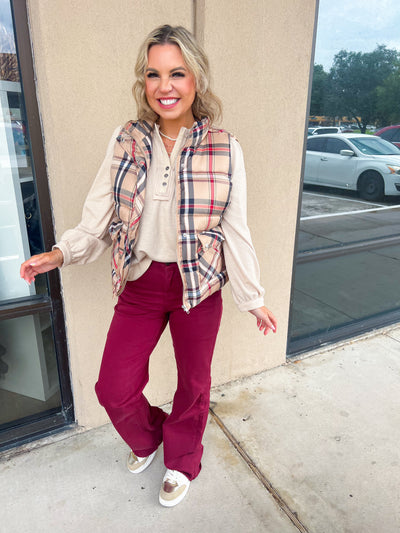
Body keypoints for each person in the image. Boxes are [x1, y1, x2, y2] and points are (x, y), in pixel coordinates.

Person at [20, 24, 277, 507]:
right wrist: (61, 253)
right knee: (113, 388)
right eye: (154, 74)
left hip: (198, 286)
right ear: (144, 81)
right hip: (141, 281)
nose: (165, 86)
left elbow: (235, 229)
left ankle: (182, 460)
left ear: (196, 78)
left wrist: (253, 298)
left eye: (176, 73)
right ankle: (151, 438)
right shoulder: (127, 139)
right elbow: (98, 217)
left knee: (193, 385)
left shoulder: (224, 146)